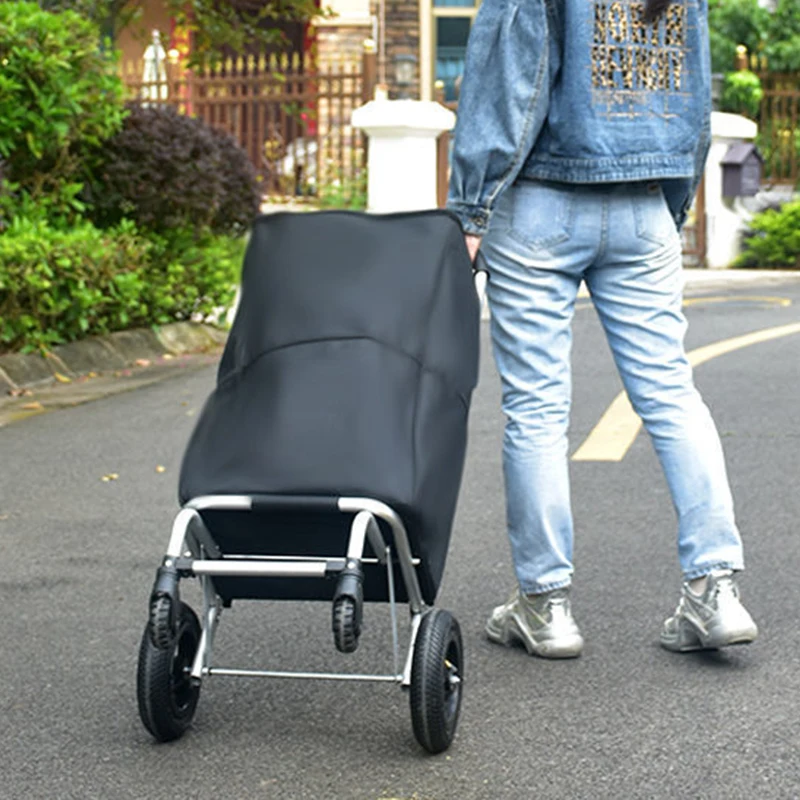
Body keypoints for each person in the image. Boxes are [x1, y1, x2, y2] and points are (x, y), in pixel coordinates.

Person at [447, 0, 758, 657]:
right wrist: (670, 206)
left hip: (538, 202)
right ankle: (716, 590)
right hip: (643, 199)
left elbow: (511, 77)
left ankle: (546, 605)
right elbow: (693, 101)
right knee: (673, 395)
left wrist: (472, 209)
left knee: (537, 409)